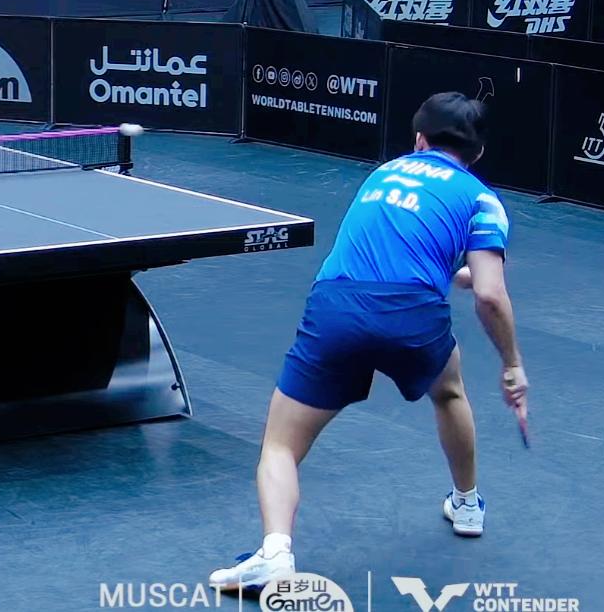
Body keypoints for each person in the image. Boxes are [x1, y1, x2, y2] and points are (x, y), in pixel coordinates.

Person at [209, 92, 529, 593]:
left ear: (418, 140)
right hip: (413, 315)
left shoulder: (383, 174)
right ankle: (467, 504)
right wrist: (512, 365)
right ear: (478, 152)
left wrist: (451, 270)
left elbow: (395, 246)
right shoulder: (483, 199)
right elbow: (490, 293)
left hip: (337, 307)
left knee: (280, 445)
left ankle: (275, 552)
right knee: (449, 392)